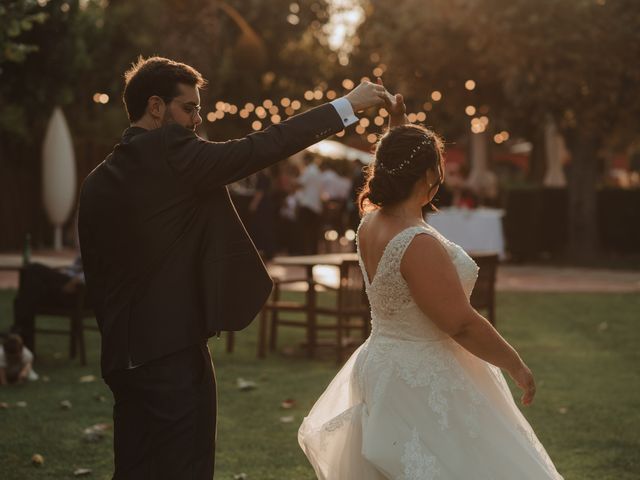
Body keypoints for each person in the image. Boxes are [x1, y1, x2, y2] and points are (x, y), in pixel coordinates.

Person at [77, 56, 390, 479]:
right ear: (155, 106)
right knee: (187, 467)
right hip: (172, 352)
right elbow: (261, 146)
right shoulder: (170, 151)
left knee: (133, 468)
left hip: (120, 356)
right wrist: (345, 106)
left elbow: (95, 274)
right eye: (188, 108)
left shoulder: (97, 180)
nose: (196, 121)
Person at [298, 88, 564, 479]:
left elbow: (393, 162)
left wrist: (397, 126)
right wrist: (515, 364)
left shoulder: (371, 222)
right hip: (421, 373)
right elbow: (460, 322)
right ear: (428, 175)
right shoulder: (417, 242)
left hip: (384, 360)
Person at [11, 255, 85, 353]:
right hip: (66, 281)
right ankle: (23, 338)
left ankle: (19, 330)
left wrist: (78, 280)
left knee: (34, 270)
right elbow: (75, 267)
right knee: (28, 288)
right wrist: (62, 272)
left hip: (78, 291)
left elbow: (96, 273)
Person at [295, 153, 324, 254]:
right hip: (316, 205)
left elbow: (298, 183)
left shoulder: (308, 171)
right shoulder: (318, 172)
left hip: (307, 204)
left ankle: (303, 253)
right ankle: (313, 253)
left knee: (303, 231)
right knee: (313, 232)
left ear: (306, 160)